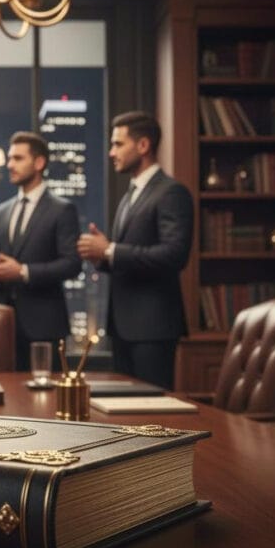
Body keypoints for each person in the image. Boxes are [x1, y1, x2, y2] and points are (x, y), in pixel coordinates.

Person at [77, 111, 191, 388]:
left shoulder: (171, 192)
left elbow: (175, 255)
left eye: (118, 144)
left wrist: (110, 250)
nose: (111, 152)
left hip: (153, 327)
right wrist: (100, 256)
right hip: (123, 327)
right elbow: (126, 256)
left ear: (143, 145)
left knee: (152, 408)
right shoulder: (129, 196)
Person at [0, 131, 81, 372]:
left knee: (46, 393)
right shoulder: (2, 210)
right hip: (4, 325)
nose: (10, 165)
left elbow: (72, 264)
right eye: (9, 158)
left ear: (39, 163)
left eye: (18, 158)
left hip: (45, 325)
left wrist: (23, 271)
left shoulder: (62, 209)